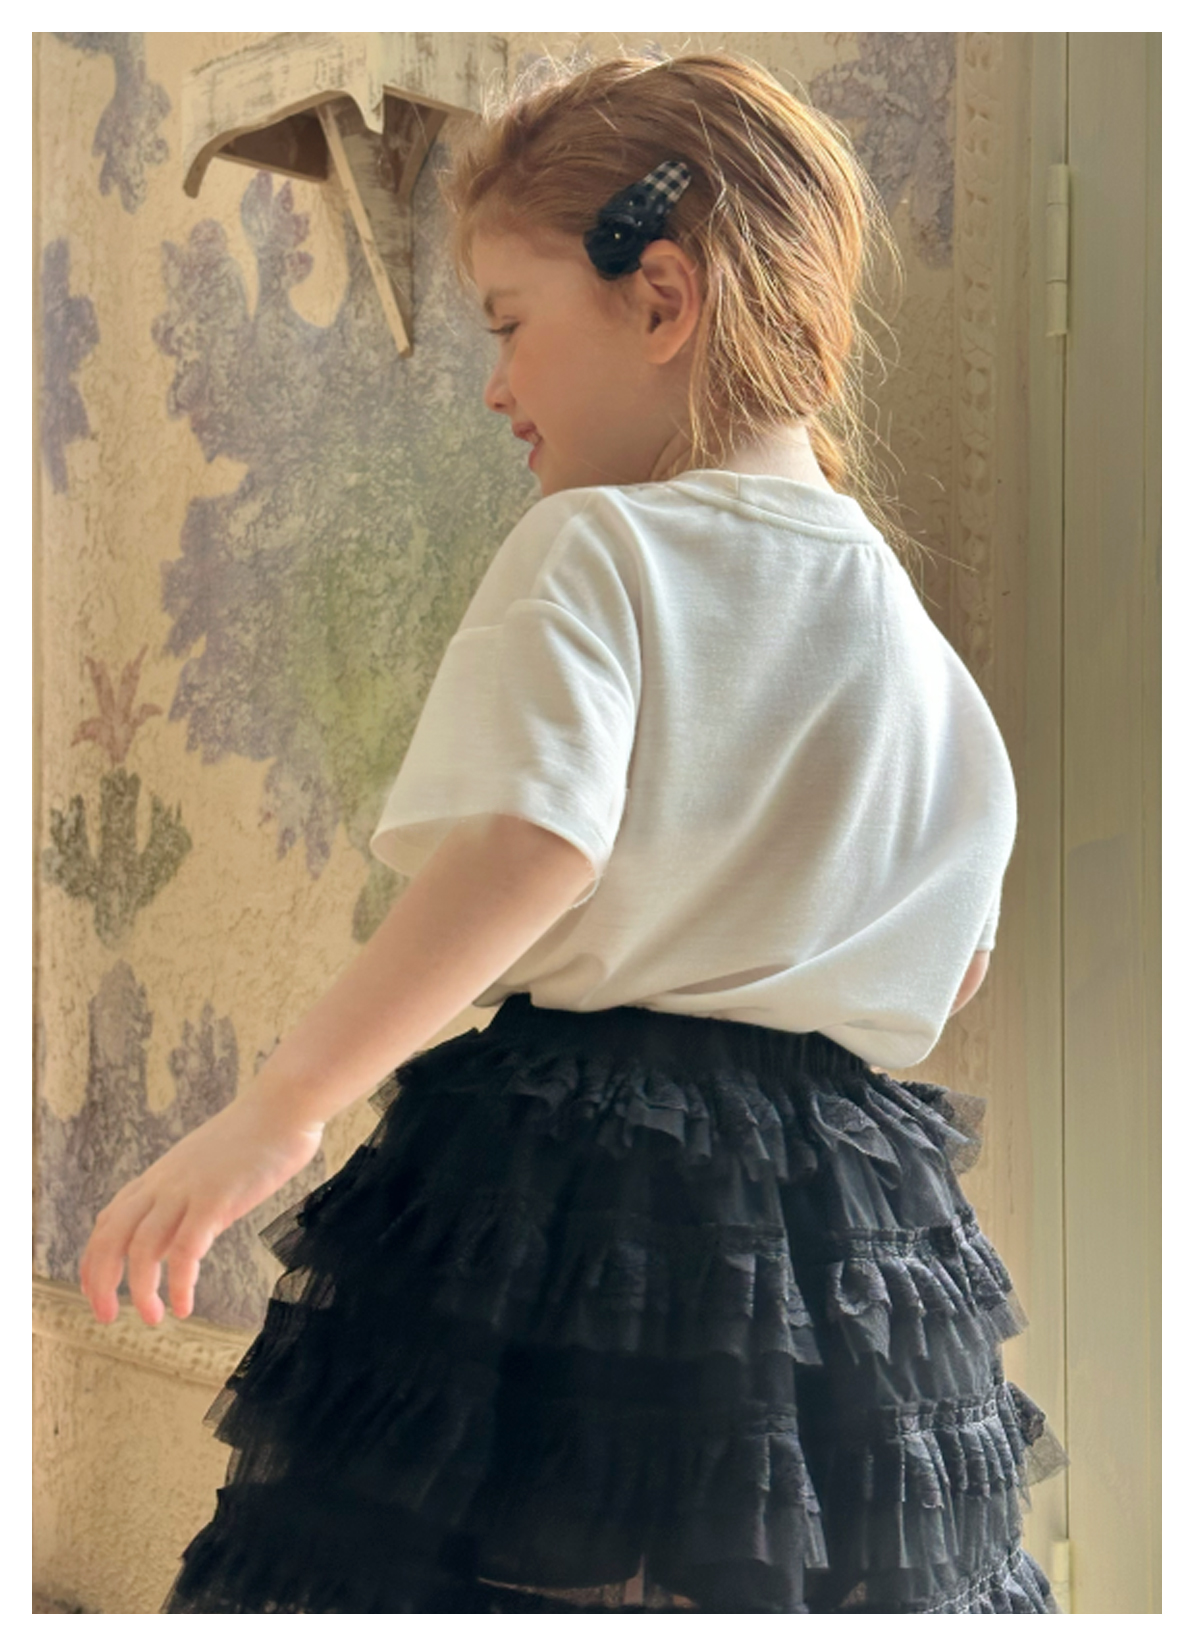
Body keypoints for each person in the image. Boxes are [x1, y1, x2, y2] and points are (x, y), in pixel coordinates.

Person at [80, 49, 1064, 1614]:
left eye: (508, 323)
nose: (495, 387)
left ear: (660, 298)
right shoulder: (890, 606)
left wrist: (284, 1103)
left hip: (581, 1174)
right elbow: (954, 961)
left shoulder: (595, 546)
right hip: (850, 1214)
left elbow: (534, 847)